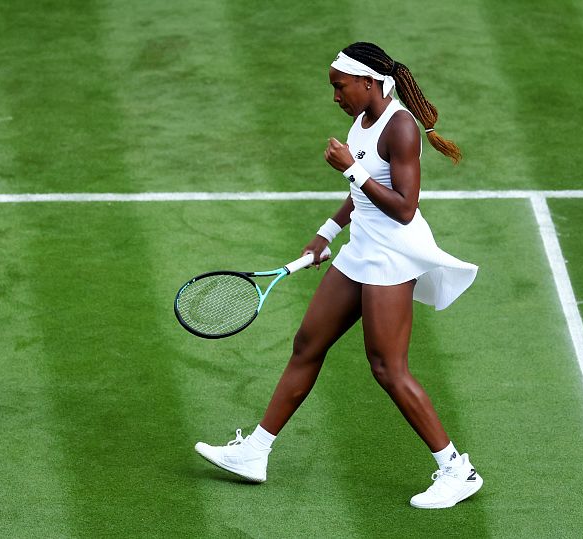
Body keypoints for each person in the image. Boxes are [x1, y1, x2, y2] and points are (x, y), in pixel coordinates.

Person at [195, 42, 481, 509]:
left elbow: (405, 209)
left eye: (340, 86)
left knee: (387, 368)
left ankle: (457, 470)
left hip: (392, 257)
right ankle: (255, 452)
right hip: (361, 250)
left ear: (368, 82)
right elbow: (364, 193)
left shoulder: (400, 127)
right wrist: (325, 233)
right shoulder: (362, 120)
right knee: (307, 344)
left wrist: (352, 169)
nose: (335, 96)